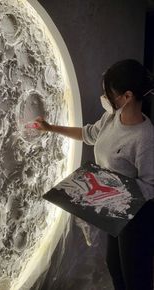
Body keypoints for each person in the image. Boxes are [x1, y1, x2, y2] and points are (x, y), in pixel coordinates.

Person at [34, 59, 154, 290]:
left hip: (135, 217)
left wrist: (111, 190)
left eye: (110, 93)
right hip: (113, 210)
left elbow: (150, 186)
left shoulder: (145, 138)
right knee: (114, 265)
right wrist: (50, 128)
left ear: (127, 96)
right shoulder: (111, 118)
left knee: (135, 276)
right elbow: (89, 134)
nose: (106, 97)